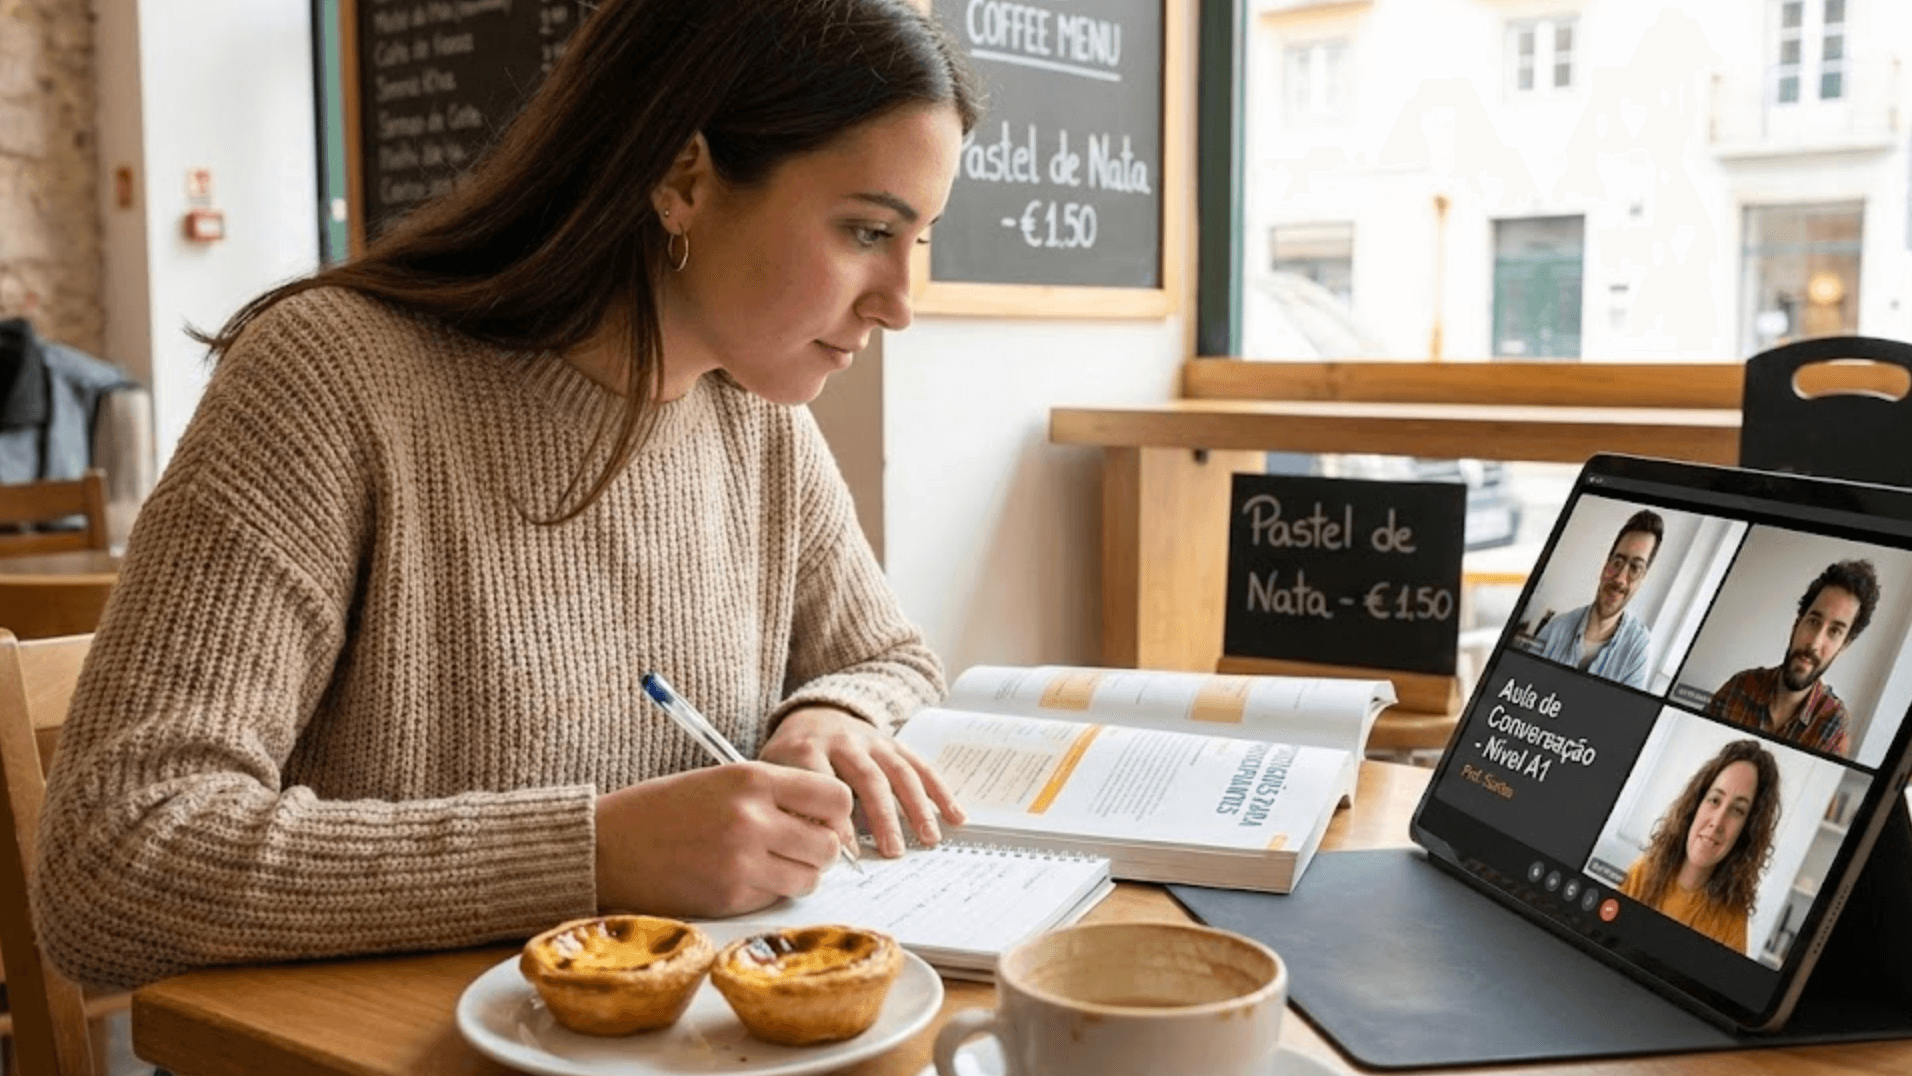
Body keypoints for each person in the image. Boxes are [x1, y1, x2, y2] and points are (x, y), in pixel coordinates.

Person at [33, 0, 982, 990]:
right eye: (867, 228)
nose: (899, 304)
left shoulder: (753, 415)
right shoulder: (332, 378)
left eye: (916, 241)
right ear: (682, 177)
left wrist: (837, 713)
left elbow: (887, 655)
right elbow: (113, 858)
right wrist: (592, 853)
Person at [1619, 739, 1781, 954]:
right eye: (1714, 800)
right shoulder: (1643, 872)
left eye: (1738, 810)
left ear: (1747, 831)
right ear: (1695, 805)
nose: (1717, 822)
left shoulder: (1731, 924)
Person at [1705, 559, 1880, 757]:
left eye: (1834, 631)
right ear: (1797, 624)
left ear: (1843, 647)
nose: (1814, 643)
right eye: (1813, 621)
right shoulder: (1738, 687)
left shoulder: (1834, 728)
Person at [1525, 509, 1665, 688]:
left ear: (1643, 579)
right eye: (1617, 562)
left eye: (1635, 568)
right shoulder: (1555, 627)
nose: (1620, 578)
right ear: (1605, 564)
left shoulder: (1637, 647)